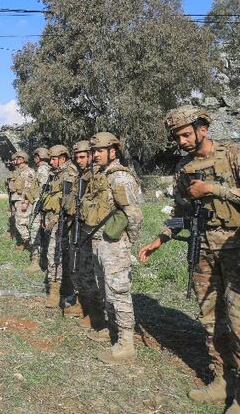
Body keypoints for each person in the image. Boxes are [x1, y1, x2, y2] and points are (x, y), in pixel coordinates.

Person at [139, 106, 240, 411]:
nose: (182, 141)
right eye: (177, 136)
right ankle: (221, 382)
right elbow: (181, 213)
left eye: (186, 134)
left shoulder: (236, 155)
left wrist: (213, 188)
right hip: (203, 252)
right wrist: (159, 239)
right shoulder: (183, 169)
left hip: (238, 250)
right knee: (211, 321)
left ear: (203, 128)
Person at [81, 132, 143, 365]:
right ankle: (112, 330)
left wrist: (127, 242)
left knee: (118, 292)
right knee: (104, 288)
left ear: (113, 151)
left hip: (114, 244)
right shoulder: (100, 175)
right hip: (98, 242)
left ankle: (126, 344)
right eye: (94, 150)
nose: (95, 154)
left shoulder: (120, 178)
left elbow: (134, 215)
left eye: (100, 150)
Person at [65, 141, 102, 324]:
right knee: (75, 266)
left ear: (90, 155)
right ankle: (81, 302)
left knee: (89, 270)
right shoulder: (80, 175)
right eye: (76, 157)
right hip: (77, 226)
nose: (79, 160)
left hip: (91, 229)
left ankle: (94, 311)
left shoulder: (97, 175)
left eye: (82, 157)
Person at [43, 145, 77, 306]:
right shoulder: (54, 174)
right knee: (55, 254)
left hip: (63, 221)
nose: (50, 162)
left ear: (63, 158)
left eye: (53, 159)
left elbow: (69, 202)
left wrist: (56, 219)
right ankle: (56, 288)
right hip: (53, 219)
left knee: (56, 254)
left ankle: (57, 290)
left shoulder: (70, 173)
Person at [8, 150, 40, 262]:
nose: (14, 161)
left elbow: (28, 189)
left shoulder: (29, 172)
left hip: (23, 200)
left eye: (16, 159)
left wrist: (25, 202)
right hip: (16, 199)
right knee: (20, 221)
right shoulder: (18, 171)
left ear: (21, 159)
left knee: (22, 222)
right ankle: (26, 241)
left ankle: (30, 244)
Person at [30, 147, 52, 273]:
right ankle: (43, 259)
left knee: (35, 231)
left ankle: (36, 261)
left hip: (40, 204)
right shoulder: (47, 168)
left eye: (35, 156)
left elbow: (43, 188)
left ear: (38, 157)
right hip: (43, 204)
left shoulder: (42, 169)